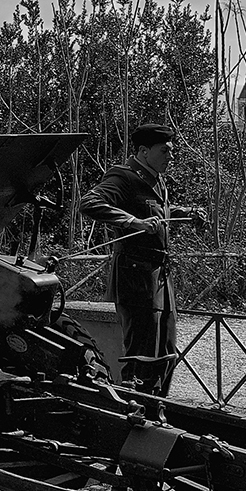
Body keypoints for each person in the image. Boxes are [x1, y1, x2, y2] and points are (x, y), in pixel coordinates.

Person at [79, 122, 204, 394]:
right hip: (135, 277)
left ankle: (159, 403)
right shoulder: (123, 177)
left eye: (171, 151)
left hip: (160, 276)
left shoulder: (156, 178)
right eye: (165, 151)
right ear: (144, 151)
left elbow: (159, 211)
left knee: (166, 348)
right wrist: (132, 221)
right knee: (142, 351)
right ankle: (134, 407)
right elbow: (89, 203)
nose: (170, 157)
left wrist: (186, 213)